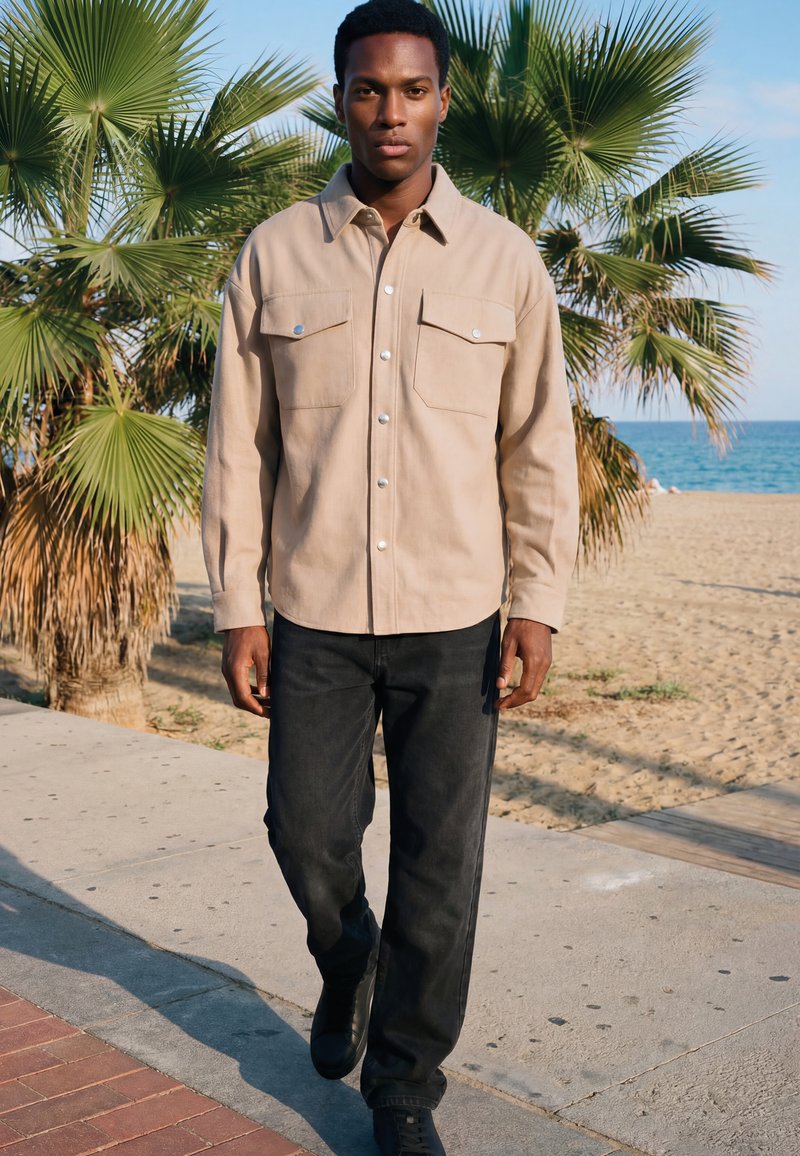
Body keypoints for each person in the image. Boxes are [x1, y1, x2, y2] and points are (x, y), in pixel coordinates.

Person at [201, 2, 579, 1152]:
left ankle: (404, 1087)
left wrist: (537, 604)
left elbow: (537, 445)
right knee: (304, 833)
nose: (390, 112)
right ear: (338, 98)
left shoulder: (506, 264)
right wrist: (236, 606)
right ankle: (344, 953)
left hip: (456, 614)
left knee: (440, 868)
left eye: (412, 89)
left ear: (443, 99)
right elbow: (235, 446)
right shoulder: (273, 253)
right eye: (368, 89)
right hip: (311, 610)